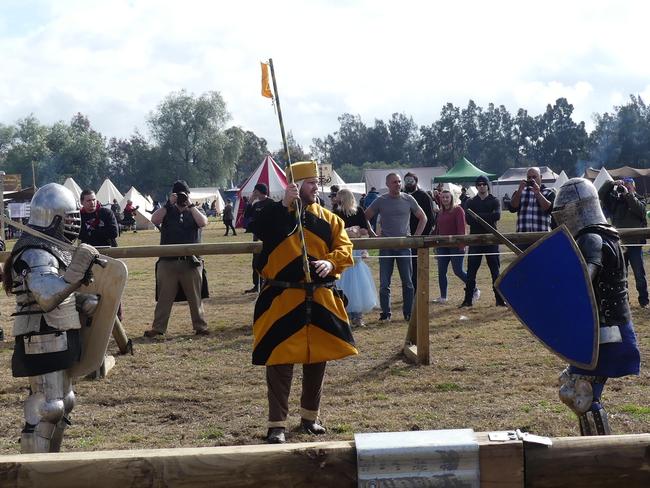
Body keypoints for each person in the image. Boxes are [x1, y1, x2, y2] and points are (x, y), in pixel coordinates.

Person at [248, 161, 357, 444]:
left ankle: (310, 417)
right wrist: (284, 205)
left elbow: (345, 248)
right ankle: (276, 425)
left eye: (316, 183)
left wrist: (329, 262)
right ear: (294, 186)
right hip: (283, 298)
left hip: (320, 296)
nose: (315, 187)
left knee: (317, 358)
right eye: (309, 183)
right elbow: (258, 228)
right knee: (280, 360)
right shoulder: (273, 213)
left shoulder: (330, 219)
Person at [3, 183, 101, 452]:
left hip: (58, 332)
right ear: (55, 218)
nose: (74, 223)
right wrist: (77, 271)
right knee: (47, 408)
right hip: (40, 335)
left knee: (65, 401)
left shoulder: (53, 249)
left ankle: (52, 466)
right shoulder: (35, 252)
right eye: (70, 217)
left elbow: (58, 291)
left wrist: (81, 301)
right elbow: (46, 296)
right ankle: (33, 473)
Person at [553, 178, 640, 435]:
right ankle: (593, 449)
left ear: (579, 208)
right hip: (601, 330)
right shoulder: (604, 233)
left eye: (564, 211)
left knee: (583, 396)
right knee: (573, 390)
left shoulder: (591, 237)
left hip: (607, 333)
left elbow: (582, 281)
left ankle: (600, 453)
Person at [143, 180, 210, 337]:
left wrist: (191, 206)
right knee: (164, 298)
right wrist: (168, 204)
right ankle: (158, 328)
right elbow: (154, 220)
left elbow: (203, 222)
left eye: (183, 194)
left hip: (191, 262)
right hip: (168, 261)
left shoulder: (196, 211)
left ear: (188, 195)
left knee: (195, 297)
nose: (181, 197)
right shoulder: (167, 210)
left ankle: (200, 326)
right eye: (178, 194)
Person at [365, 172, 427, 321]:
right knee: (385, 283)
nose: (398, 184)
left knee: (408, 282)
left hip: (404, 246)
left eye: (399, 182)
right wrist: (373, 234)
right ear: (387, 184)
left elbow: (422, 217)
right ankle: (385, 313)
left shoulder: (408, 199)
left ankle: (408, 313)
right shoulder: (381, 200)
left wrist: (416, 236)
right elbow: (365, 216)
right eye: (394, 182)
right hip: (386, 246)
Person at [599, 177, 649, 308]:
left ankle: (644, 301)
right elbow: (600, 194)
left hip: (635, 243)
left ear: (634, 187)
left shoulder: (640, 199)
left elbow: (641, 211)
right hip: (619, 244)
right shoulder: (616, 200)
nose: (626, 186)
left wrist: (628, 194)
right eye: (625, 184)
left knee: (639, 274)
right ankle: (624, 301)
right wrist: (611, 183)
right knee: (622, 274)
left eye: (629, 184)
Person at [334, 189, 378, 327]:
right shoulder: (335, 212)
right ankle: (344, 315)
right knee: (342, 280)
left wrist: (356, 230)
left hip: (356, 249)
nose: (336, 199)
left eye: (339, 196)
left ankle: (358, 316)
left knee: (357, 282)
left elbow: (365, 229)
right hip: (342, 247)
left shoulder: (358, 211)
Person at [461, 175, 504, 307]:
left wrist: (477, 216)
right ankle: (468, 300)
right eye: (479, 184)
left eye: (483, 184)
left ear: (487, 185)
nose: (481, 186)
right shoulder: (471, 201)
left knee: (495, 271)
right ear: (476, 186)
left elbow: (497, 215)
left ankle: (499, 300)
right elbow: (468, 219)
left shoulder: (494, 200)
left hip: (491, 240)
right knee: (471, 272)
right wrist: (486, 216)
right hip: (475, 240)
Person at [404, 172, 438, 290]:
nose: (408, 183)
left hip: (419, 238)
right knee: (407, 267)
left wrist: (422, 237)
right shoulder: (402, 196)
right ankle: (410, 291)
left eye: (411, 181)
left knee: (418, 266)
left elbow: (430, 218)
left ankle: (418, 291)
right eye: (406, 181)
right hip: (405, 237)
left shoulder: (424, 196)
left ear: (416, 181)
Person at [433, 190, 468, 304]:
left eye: (447, 197)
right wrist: (435, 244)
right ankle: (443, 296)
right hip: (442, 246)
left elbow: (461, 229)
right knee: (441, 271)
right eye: (443, 197)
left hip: (455, 246)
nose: (445, 199)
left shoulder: (458, 210)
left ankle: (474, 288)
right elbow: (438, 229)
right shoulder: (440, 212)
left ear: (451, 198)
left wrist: (461, 245)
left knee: (458, 271)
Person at [509, 166, 556, 251]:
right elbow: (512, 208)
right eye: (529, 177)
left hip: (542, 237)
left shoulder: (549, 192)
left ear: (541, 177)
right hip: (522, 238)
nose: (531, 180)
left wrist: (538, 193)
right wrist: (519, 191)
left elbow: (549, 209)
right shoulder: (519, 192)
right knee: (524, 264)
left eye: (534, 177)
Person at [244, 183, 274, 293]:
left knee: (267, 261)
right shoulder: (256, 205)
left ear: (259, 191)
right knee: (255, 262)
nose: (253, 192)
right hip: (256, 237)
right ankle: (257, 285)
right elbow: (246, 215)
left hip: (268, 237)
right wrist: (251, 201)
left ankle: (268, 284)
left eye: (255, 191)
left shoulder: (271, 203)